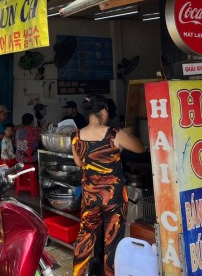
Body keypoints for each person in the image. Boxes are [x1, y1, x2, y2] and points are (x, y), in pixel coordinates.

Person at [71, 95, 145, 276]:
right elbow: (140, 148)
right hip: (114, 198)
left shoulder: (76, 136)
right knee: (112, 241)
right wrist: (127, 131)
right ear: (103, 111)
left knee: (85, 236)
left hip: (90, 196)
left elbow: (79, 164)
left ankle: (78, 273)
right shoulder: (114, 134)